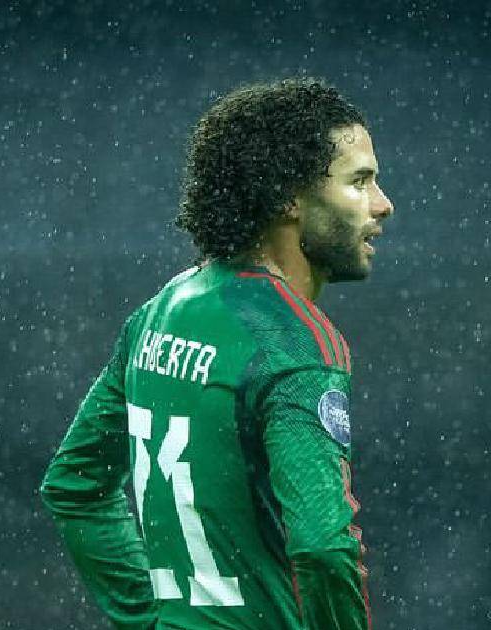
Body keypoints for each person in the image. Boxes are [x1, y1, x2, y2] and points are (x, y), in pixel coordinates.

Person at [39, 77, 394, 629]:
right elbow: (323, 546)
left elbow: (75, 486)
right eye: (359, 182)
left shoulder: (162, 310)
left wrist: (149, 619)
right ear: (289, 197)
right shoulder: (293, 344)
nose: (382, 204)